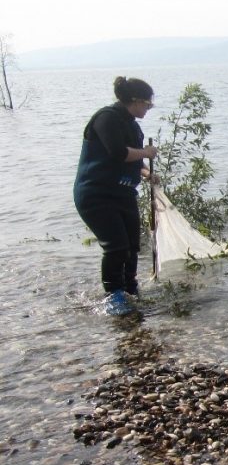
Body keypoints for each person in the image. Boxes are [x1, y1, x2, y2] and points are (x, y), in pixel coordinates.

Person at [74, 76, 158, 315]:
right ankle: (114, 297)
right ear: (136, 100)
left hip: (122, 193)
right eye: (147, 105)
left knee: (132, 246)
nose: (148, 109)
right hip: (96, 194)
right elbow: (118, 152)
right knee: (116, 248)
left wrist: (146, 174)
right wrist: (147, 152)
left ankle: (131, 290)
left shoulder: (133, 125)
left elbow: (135, 161)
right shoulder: (106, 118)